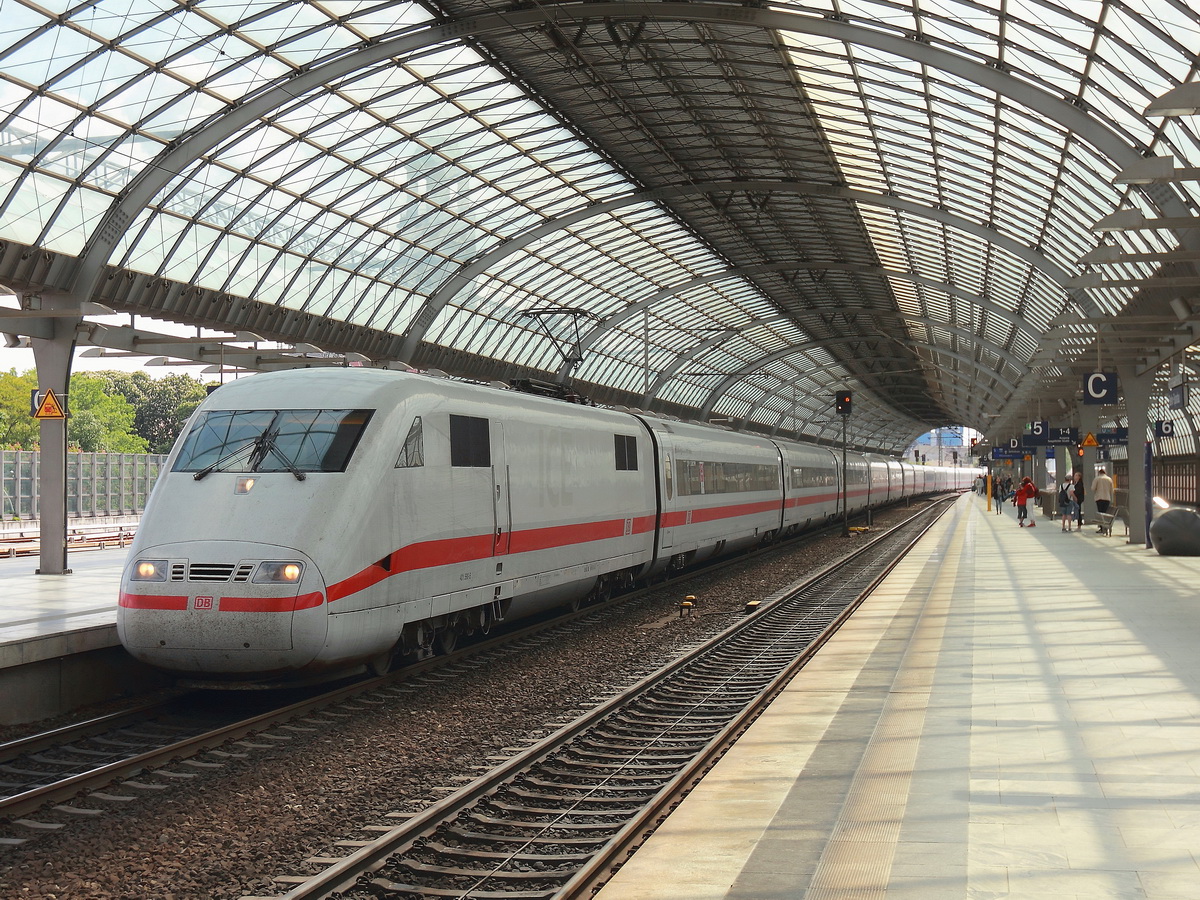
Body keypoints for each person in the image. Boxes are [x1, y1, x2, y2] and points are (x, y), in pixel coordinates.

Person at [1092, 466, 1114, 532]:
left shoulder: (1097, 479)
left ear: (1099, 473)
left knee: (1100, 513)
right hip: (1107, 498)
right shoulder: (1109, 479)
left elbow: (1093, 488)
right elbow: (1112, 490)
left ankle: (1102, 528)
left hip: (1099, 498)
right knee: (1105, 513)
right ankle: (1105, 527)